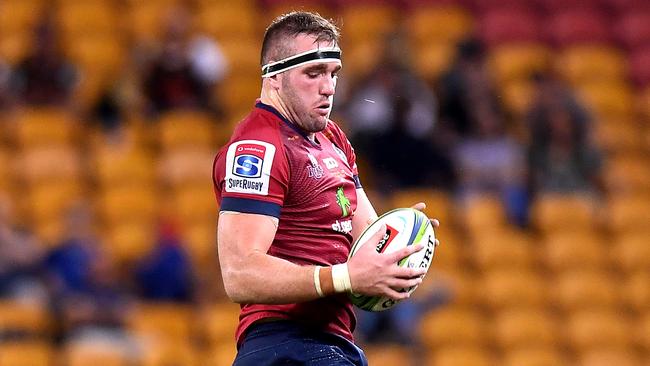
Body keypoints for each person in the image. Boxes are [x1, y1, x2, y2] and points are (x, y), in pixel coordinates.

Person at [212, 12, 440, 366]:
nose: (328, 87)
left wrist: (404, 249)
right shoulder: (259, 146)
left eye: (333, 73)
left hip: (333, 344)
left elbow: (366, 236)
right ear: (274, 76)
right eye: (313, 73)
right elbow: (239, 273)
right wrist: (345, 275)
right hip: (284, 344)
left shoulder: (333, 139)